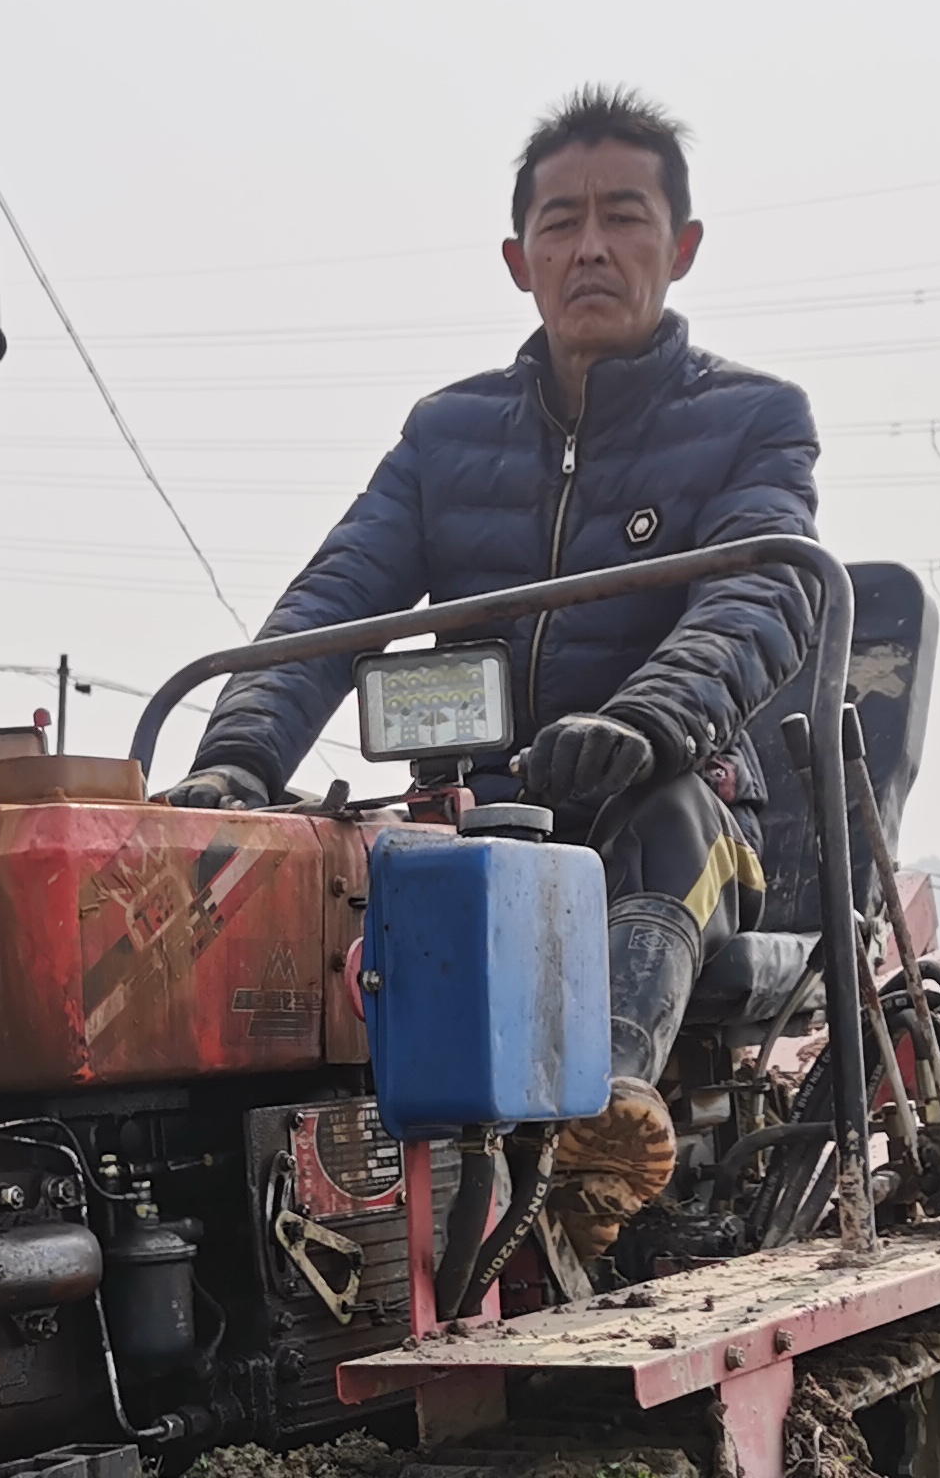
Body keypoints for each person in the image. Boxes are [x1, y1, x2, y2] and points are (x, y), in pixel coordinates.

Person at [166, 85, 817, 1246]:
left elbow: (759, 594)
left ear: (684, 246)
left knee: (668, 817)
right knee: (324, 864)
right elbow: (335, 601)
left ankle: (601, 1121)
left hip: (679, 808)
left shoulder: (756, 420)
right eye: (562, 223)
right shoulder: (444, 436)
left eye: (625, 216)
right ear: (520, 259)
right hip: (481, 812)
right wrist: (238, 756)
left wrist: (649, 721)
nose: (593, 248)